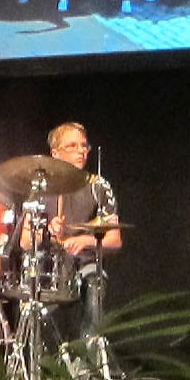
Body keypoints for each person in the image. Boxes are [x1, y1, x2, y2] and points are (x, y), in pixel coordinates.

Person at [33, 123, 122, 342]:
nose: (81, 151)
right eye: (72, 146)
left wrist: (84, 240)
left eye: (84, 145)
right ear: (55, 153)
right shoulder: (41, 189)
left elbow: (114, 240)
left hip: (86, 265)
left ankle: (90, 352)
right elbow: (26, 241)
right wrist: (47, 231)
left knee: (94, 284)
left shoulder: (98, 186)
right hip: (50, 268)